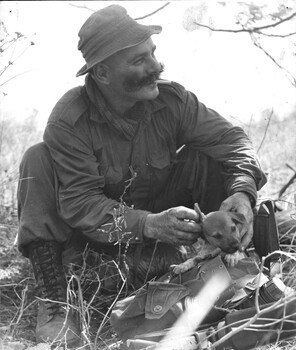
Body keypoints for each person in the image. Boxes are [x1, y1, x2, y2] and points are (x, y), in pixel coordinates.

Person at [17, 4, 267, 347]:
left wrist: (243, 191)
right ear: (102, 74)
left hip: (169, 244)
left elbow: (233, 141)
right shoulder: (68, 120)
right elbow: (80, 203)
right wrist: (148, 224)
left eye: (152, 53)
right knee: (36, 159)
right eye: (138, 61)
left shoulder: (173, 100)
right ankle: (56, 300)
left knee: (210, 153)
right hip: (97, 246)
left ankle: (224, 264)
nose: (156, 67)